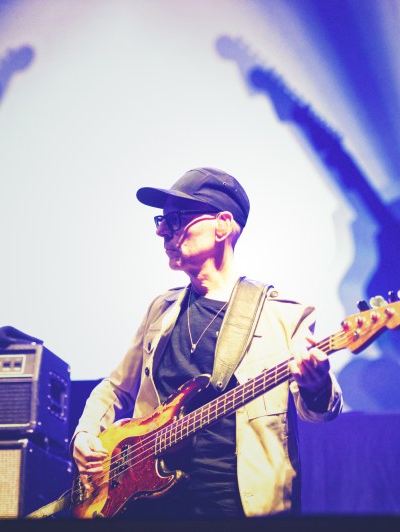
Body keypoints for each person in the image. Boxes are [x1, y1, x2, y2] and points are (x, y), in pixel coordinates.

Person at [72, 167, 342, 518]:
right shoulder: (161, 310)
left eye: (177, 219)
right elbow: (115, 387)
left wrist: (316, 384)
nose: (161, 231)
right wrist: (84, 434)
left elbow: (320, 412)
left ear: (223, 225)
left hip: (237, 505)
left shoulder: (284, 316)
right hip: (149, 506)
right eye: (161, 220)